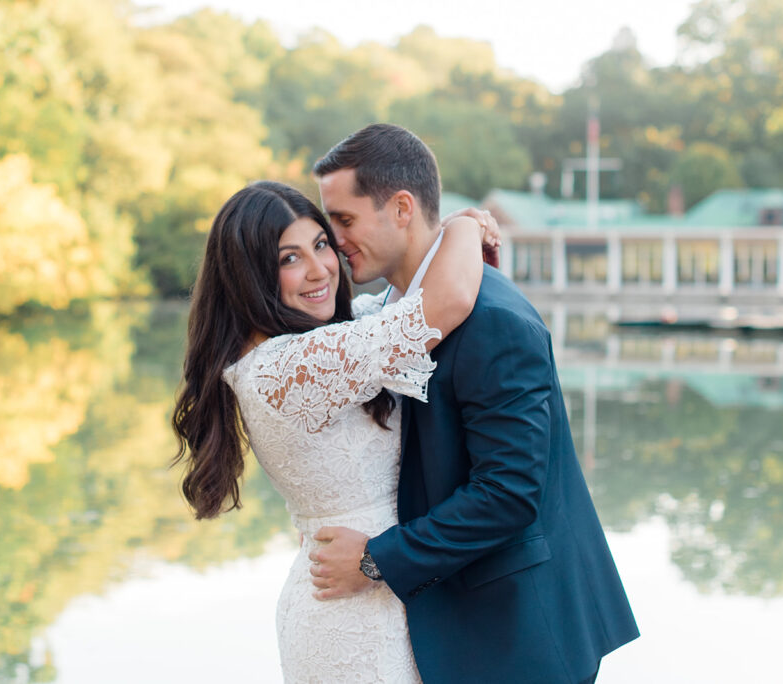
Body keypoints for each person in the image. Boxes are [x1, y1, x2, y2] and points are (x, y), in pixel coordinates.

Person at [308, 124, 640, 684]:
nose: (335, 239)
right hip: (452, 620)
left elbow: (508, 494)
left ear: (402, 208)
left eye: (344, 220)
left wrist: (376, 560)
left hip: (516, 631)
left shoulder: (495, 321)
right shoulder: (392, 311)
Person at [172, 180, 497, 682]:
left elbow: (395, 303)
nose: (320, 268)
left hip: (381, 591)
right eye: (289, 259)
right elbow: (446, 299)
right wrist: (465, 226)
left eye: (321, 244)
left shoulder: (316, 344)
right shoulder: (286, 367)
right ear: (248, 275)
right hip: (351, 620)